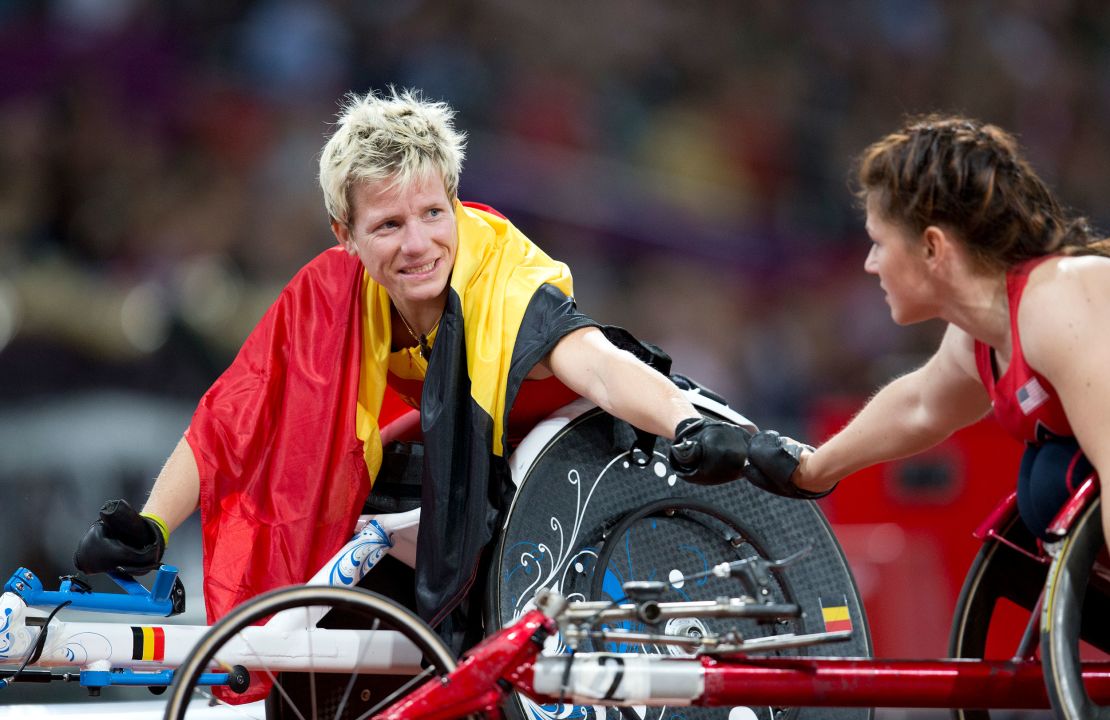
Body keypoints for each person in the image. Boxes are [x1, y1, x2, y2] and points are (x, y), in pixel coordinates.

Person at [70, 88, 748, 666]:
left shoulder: (501, 272)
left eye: (432, 213)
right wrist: (153, 526)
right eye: (389, 224)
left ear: (454, 201)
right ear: (347, 235)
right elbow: (229, 419)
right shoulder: (324, 295)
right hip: (409, 517)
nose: (419, 244)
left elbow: (598, 366)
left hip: (538, 502)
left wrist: (688, 424)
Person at [744, 114, 1110, 552]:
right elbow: (920, 405)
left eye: (879, 242)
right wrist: (809, 470)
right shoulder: (981, 335)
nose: (870, 263)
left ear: (933, 247)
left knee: (1056, 475)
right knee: (1050, 478)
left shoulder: (1060, 299)